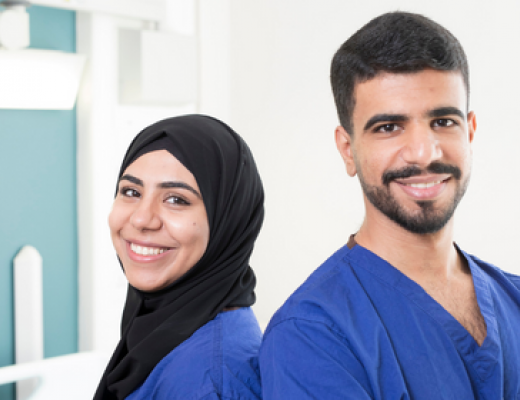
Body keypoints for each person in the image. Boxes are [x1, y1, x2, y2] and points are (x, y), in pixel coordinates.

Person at [259, 11, 520, 399]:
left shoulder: (513, 299)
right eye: (388, 127)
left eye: (443, 121)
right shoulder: (312, 334)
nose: (423, 152)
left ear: (470, 131)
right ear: (348, 150)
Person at [93, 114, 264, 400]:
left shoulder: (211, 380)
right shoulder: (165, 332)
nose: (142, 219)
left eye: (176, 199)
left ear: (228, 221)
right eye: (131, 191)